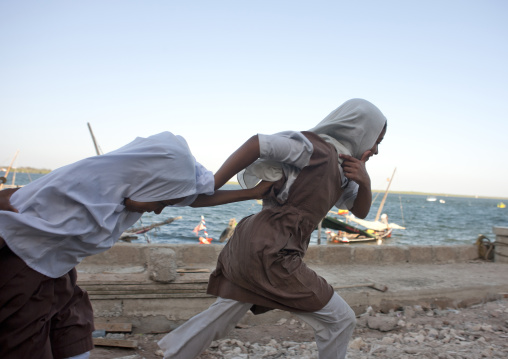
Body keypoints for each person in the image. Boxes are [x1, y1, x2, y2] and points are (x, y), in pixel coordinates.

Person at [0, 131, 271, 359]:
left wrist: (253, 192)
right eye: (161, 202)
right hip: (23, 274)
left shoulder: (132, 181)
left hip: (59, 272)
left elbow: (193, 194)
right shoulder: (75, 194)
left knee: (74, 332)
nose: (157, 211)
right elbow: (10, 204)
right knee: (23, 342)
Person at [157, 98, 388, 359]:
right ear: (360, 130)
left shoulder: (345, 168)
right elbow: (259, 143)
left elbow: (360, 210)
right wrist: (215, 182)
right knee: (340, 319)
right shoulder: (314, 149)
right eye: (376, 140)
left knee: (226, 311)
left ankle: (174, 352)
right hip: (272, 251)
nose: (376, 150)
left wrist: (365, 181)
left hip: (250, 244)